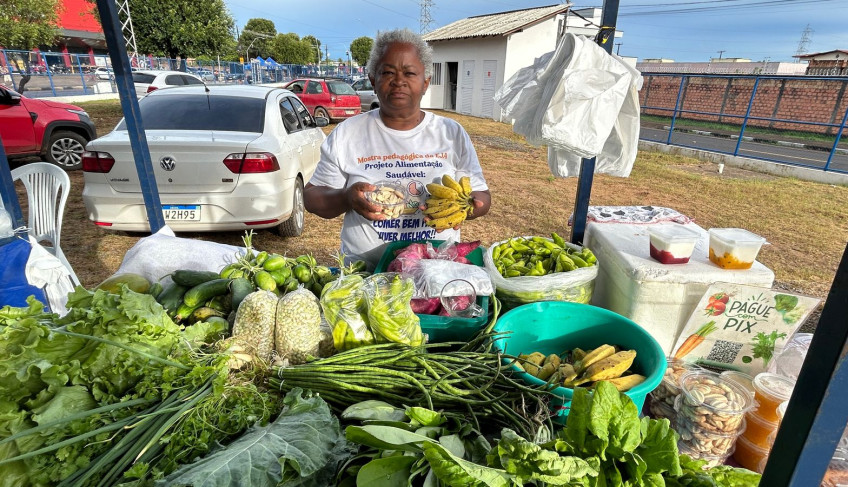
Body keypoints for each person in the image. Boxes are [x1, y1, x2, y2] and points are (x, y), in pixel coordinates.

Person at [304, 28, 491, 268]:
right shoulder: (348, 133)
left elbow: (482, 197)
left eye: (410, 73)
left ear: (425, 83)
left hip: (434, 268)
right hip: (366, 271)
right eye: (388, 72)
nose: (399, 81)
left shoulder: (451, 133)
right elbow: (311, 198)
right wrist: (346, 197)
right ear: (373, 80)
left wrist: (468, 208)